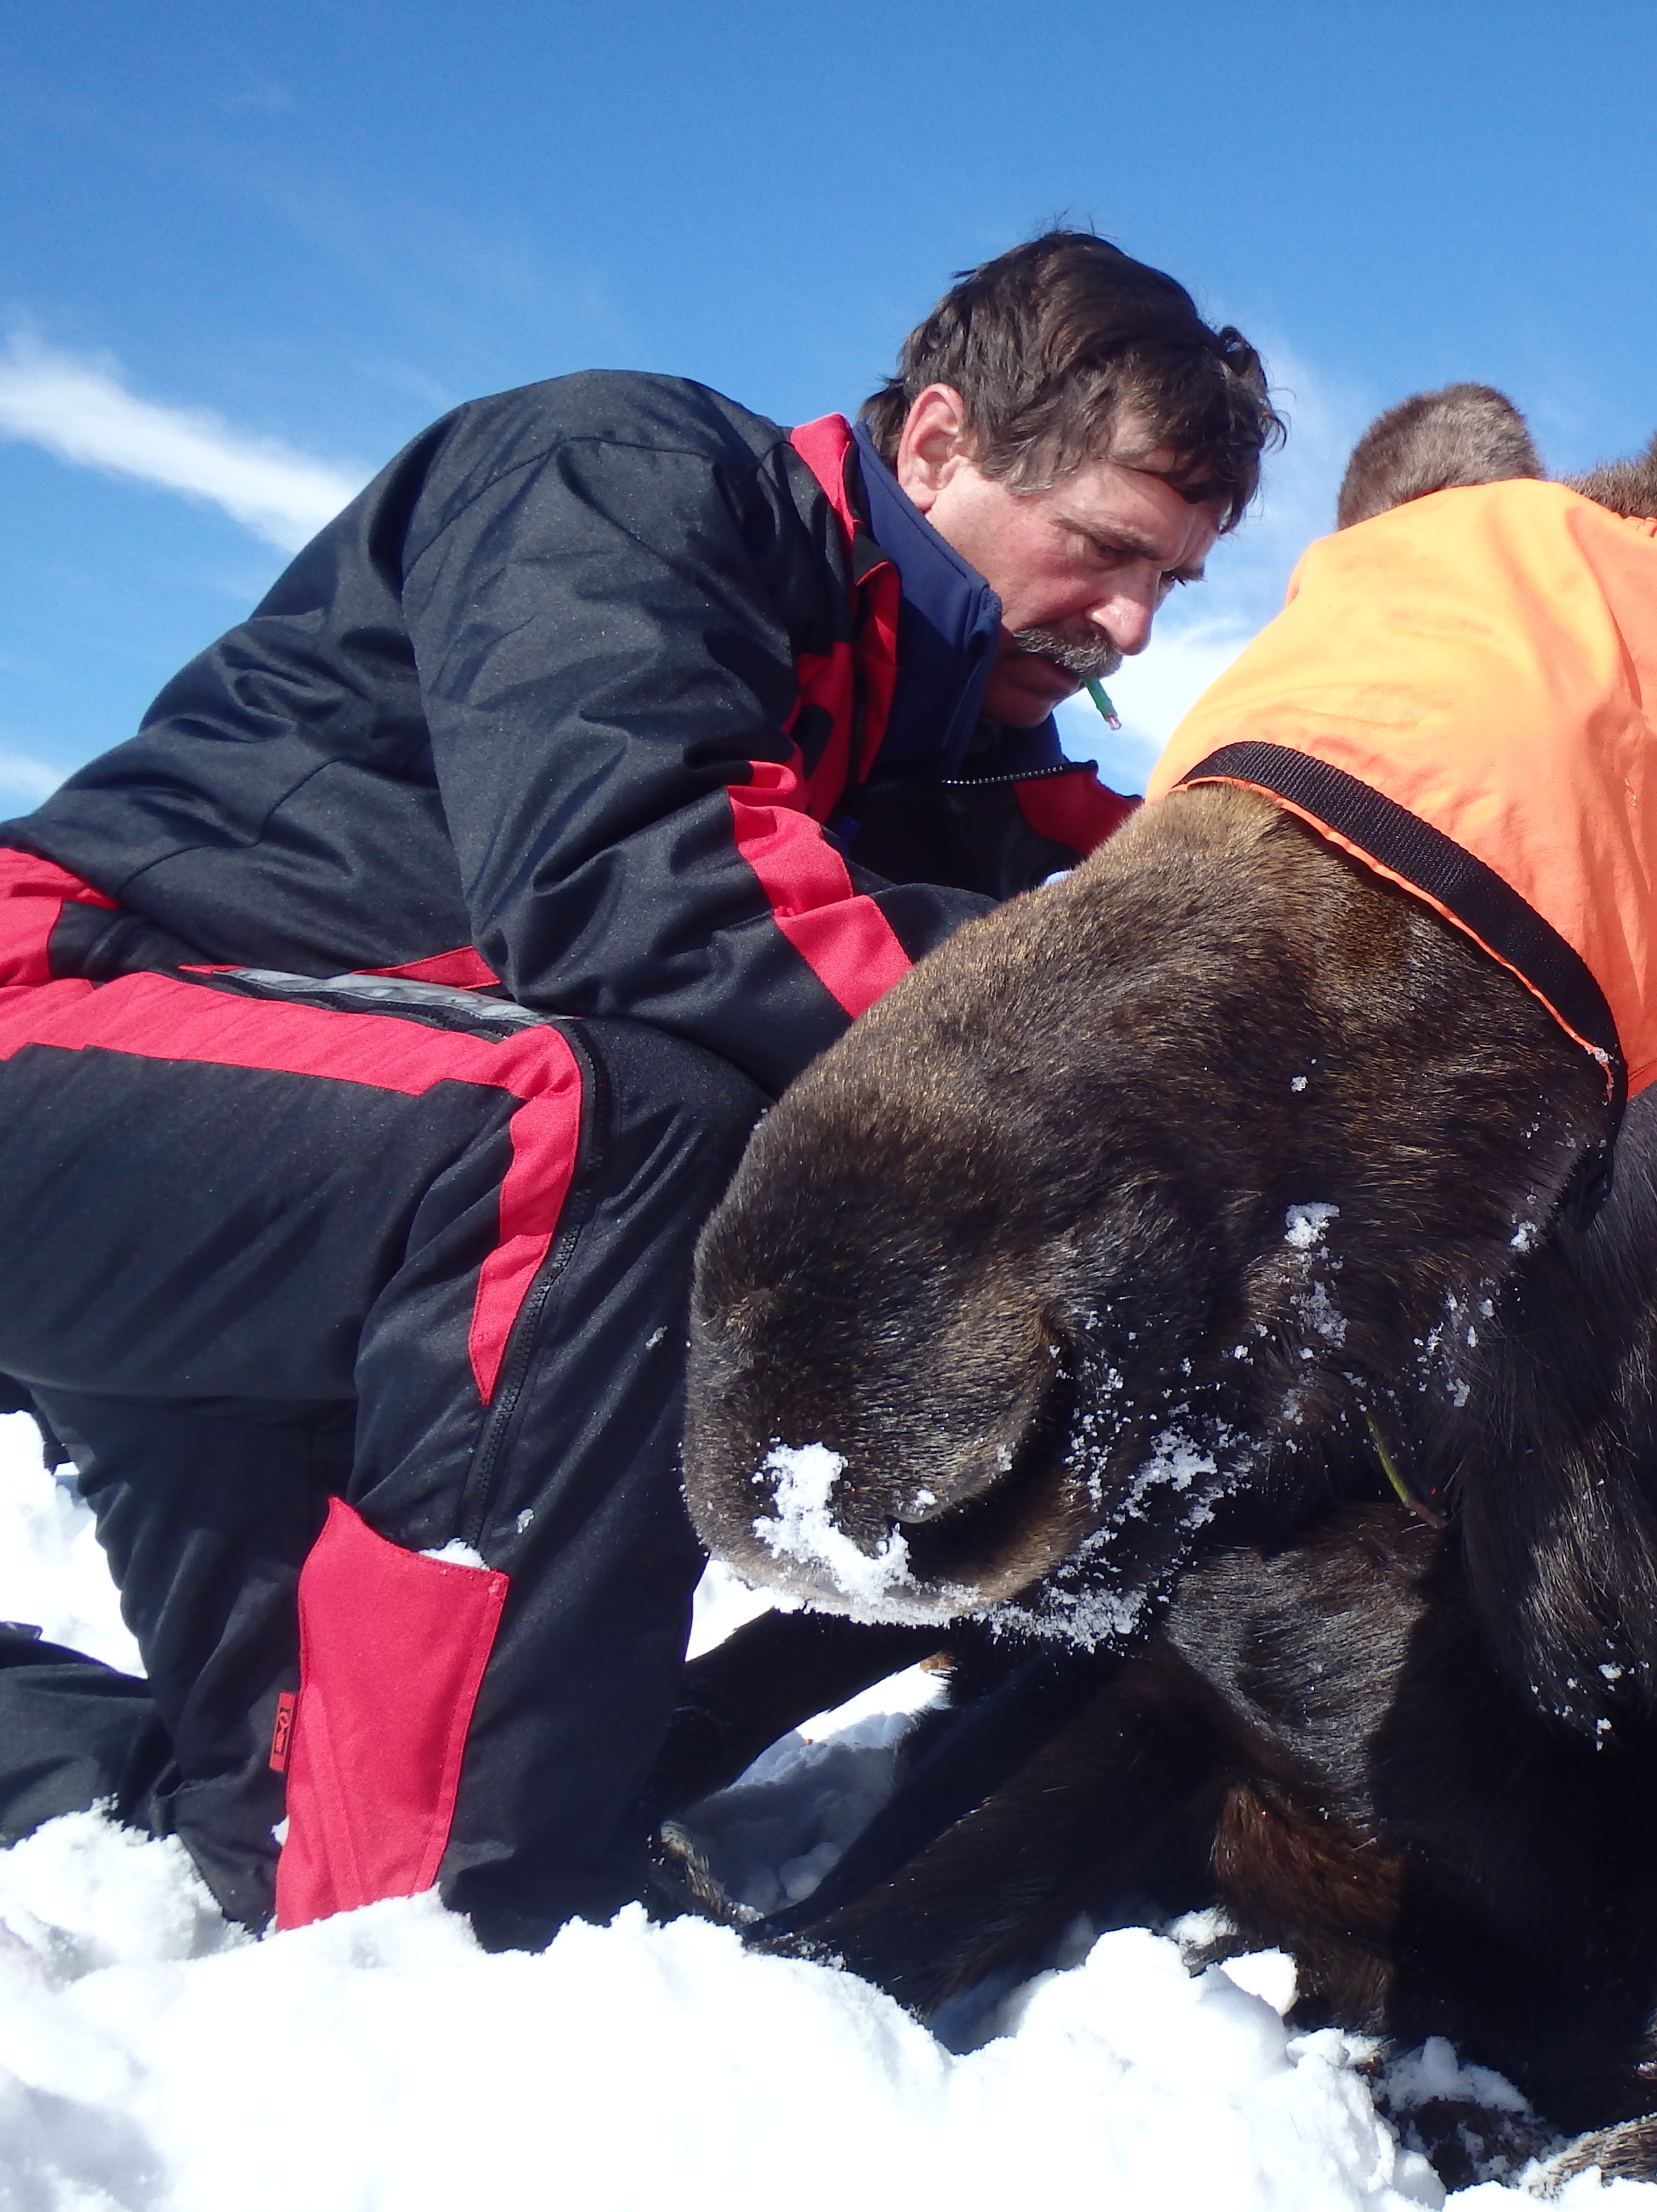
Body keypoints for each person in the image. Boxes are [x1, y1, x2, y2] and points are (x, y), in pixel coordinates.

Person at [0, 232, 1279, 1951]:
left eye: (1171, 586)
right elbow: (631, 872)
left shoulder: (942, 730)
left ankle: (379, 1847)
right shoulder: (622, 476)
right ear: (938, 446)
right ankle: (470, 1926)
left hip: (307, 1218)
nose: (1131, 622)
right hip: (68, 1033)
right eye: (1108, 550)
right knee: (620, 1125)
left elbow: (1139, 925)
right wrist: (1097, 1081)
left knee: (288, 1792)